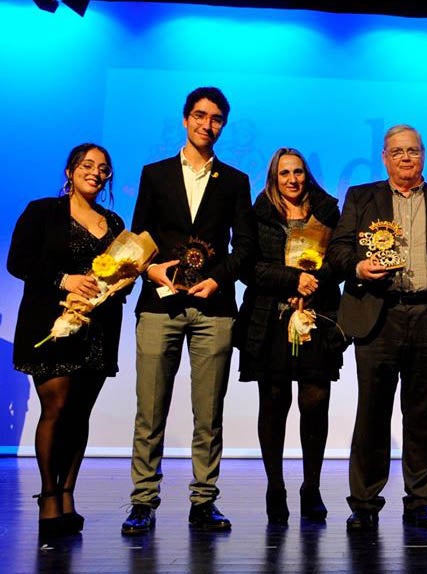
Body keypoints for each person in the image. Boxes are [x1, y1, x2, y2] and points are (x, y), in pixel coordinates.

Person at [122, 87, 253, 535]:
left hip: (213, 308)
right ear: (184, 119)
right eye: (200, 116)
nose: (207, 124)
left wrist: (220, 277)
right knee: (150, 409)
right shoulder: (154, 174)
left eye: (216, 119)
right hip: (160, 307)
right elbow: (138, 238)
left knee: (208, 411)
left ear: (223, 126)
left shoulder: (235, 181)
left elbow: (246, 247)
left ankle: (204, 500)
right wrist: (151, 269)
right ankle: (143, 501)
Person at [327, 124, 427, 531]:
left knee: (424, 413)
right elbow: (339, 250)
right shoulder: (362, 197)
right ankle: (364, 502)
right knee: (373, 413)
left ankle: (420, 501)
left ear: (423, 156)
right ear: (384, 157)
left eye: (413, 151)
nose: (405, 158)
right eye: (397, 151)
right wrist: (360, 268)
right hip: (378, 314)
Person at [8, 144, 125, 538]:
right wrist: (65, 280)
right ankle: (48, 496)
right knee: (55, 407)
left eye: (103, 168)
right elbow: (18, 262)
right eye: (88, 165)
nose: (95, 172)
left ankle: (69, 494)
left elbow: (122, 278)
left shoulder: (114, 223)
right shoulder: (43, 211)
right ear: (71, 170)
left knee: (79, 415)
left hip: (97, 330)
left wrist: (116, 285)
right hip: (52, 325)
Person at [234, 148, 346, 525]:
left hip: (318, 316)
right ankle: (275, 486)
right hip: (270, 319)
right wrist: (292, 279)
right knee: (275, 400)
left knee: (315, 401)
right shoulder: (259, 212)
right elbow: (249, 267)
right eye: (285, 174)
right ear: (274, 178)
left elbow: (341, 258)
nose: (293, 179)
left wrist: (316, 280)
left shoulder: (328, 210)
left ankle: (311, 487)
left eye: (298, 172)